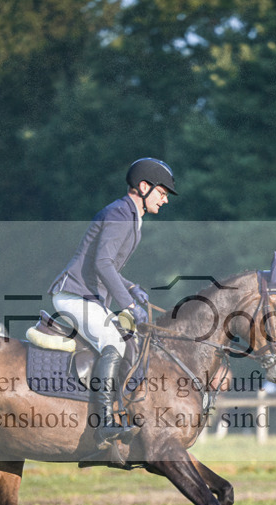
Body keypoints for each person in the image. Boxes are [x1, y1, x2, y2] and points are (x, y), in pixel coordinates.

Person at [47, 157, 176, 448]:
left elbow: (107, 266)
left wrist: (132, 287)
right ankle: (105, 423)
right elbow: (103, 264)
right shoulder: (120, 214)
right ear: (143, 187)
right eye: (162, 193)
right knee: (114, 342)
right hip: (74, 295)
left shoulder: (130, 216)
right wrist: (129, 304)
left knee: (129, 338)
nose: (164, 200)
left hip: (89, 296)